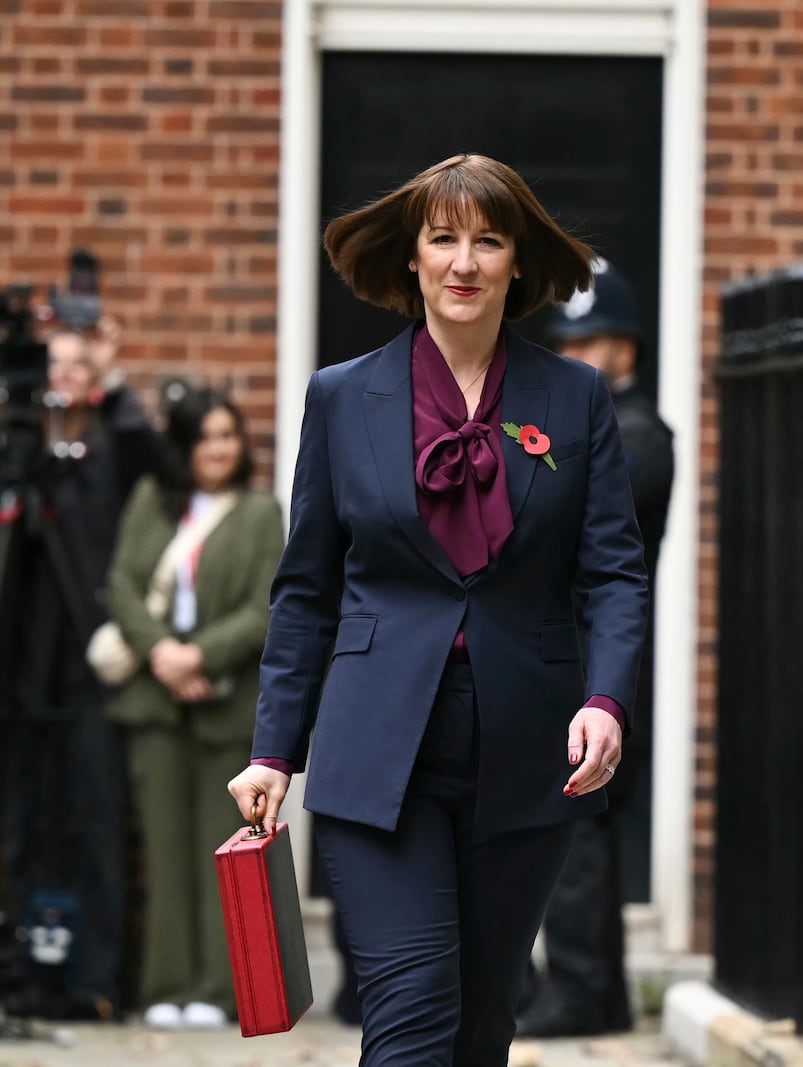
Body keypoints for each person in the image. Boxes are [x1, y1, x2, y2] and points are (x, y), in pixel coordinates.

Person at [226, 153, 649, 1066]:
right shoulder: (341, 399)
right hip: (377, 750)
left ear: (517, 264)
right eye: (443, 238)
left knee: (481, 1019)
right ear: (413, 259)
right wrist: (273, 748)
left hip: (528, 749)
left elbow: (614, 571)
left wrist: (606, 701)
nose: (465, 261)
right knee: (413, 1011)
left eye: (488, 240)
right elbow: (307, 588)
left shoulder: (573, 398)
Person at [0, 314, 167, 1020]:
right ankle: (11, 965)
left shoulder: (108, 453)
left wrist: (114, 376)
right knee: (19, 826)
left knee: (96, 824)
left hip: (90, 673)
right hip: (18, 674)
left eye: (75, 366)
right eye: (51, 364)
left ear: (94, 384)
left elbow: (153, 461)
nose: (60, 376)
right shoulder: (17, 460)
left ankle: (94, 980)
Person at [517, 260, 673, 1037]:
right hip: (570, 654)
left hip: (600, 660)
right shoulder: (582, 432)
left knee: (578, 831)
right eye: (567, 344)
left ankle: (580, 988)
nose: (576, 357)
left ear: (627, 352)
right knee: (577, 827)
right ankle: (596, 991)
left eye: (593, 343)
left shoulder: (640, 436)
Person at [104, 385, 284, 1031]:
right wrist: (163, 656)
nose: (218, 448)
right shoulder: (153, 501)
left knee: (222, 847)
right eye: (206, 437)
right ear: (184, 445)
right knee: (165, 849)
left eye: (228, 436)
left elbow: (268, 606)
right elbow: (122, 583)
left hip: (227, 703)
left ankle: (219, 987)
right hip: (155, 702)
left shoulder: (263, 512)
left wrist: (199, 656)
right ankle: (167, 985)